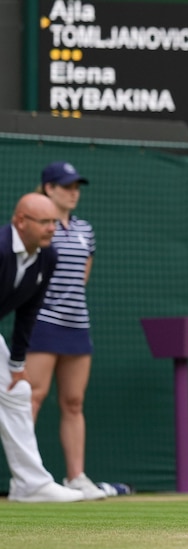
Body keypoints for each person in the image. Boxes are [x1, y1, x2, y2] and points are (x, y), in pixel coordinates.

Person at [26, 161, 104, 501]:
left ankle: (76, 477)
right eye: (66, 186)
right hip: (42, 321)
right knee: (32, 397)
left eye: (76, 186)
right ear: (48, 189)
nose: (74, 192)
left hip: (77, 325)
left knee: (73, 402)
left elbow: (82, 278)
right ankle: (26, 476)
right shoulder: (36, 228)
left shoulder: (85, 230)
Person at [1, 193, 84, 502]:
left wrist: (17, 364)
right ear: (20, 221)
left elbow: (28, 312)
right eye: (45, 222)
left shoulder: (48, 257)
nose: (53, 228)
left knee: (17, 391)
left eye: (54, 222)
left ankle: (30, 485)